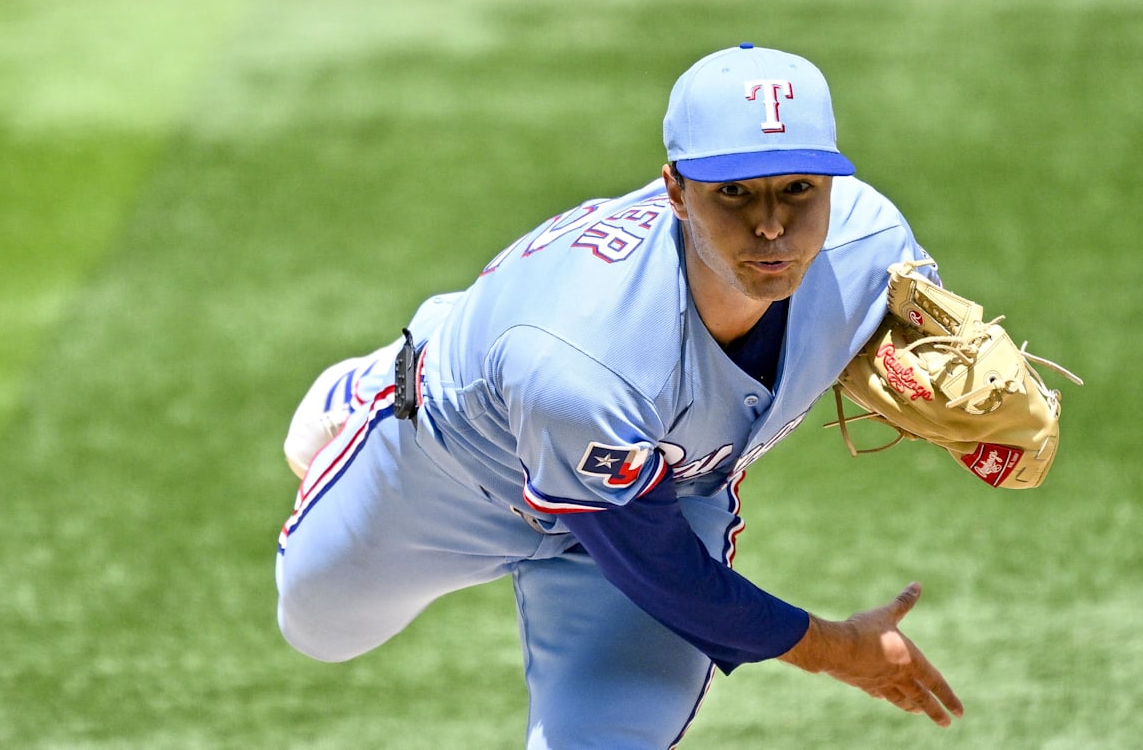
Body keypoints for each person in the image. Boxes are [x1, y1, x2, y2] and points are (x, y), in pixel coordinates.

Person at [274, 43, 966, 749]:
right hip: (454, 472)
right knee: (318, 628)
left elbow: (944, 355)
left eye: (798, 188)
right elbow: (663, 570)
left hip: (665, 488)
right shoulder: (578, 359)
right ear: (675, 191)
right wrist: (835, 647)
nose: (770, 225)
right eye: (734, 190)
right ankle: (383, 377)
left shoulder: (874, 247)